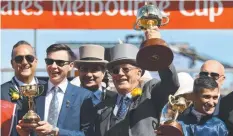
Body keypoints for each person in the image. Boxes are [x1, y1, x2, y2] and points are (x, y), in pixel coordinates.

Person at [95, 29, 179, 136]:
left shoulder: (150, 93)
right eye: (115, 71)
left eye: (126, 69)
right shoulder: (103, 106)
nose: (120, 73)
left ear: (138, 73)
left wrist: (156, 46)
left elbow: (170, 83)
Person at [16, 44, 96, 136]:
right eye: (49, 61)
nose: (53, 66)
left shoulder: (84, 96)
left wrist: (57, 131)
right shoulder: (33, 93)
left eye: (60, 62)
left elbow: (87, 134)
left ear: (70, 65)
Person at [1, 40, 46, 136]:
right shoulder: (1, 92)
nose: (25, 62)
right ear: (12, 63)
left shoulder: (47, 90)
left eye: (29, 58)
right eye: (19, 59)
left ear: (36, 61)